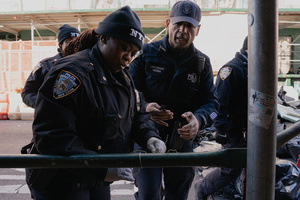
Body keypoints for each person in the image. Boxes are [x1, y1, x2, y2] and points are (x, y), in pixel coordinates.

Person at [24, 6, 166, 200]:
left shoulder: (122, 75)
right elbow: (52, 137)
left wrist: (149, 136)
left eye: (133, 53)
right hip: (62, 181)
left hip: (94, 176)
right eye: (125, 48)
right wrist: (103, 169)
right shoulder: (72, 75)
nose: (129, 57)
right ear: (104, 38)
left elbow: (134, 112)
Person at [129, 1, 219, 199]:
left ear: (198, 29)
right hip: (146, 136)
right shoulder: (145, 55)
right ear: (168, 23)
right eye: (178, 24)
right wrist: (145, 107)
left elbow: (213, 105)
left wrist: (198, 120)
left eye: (189, 26)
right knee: (149, 195)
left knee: (178, 195)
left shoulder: (201, 63)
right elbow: (127, 93)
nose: (183, 31)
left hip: (182, 141)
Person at [195, 36, 248, 200]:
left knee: (253, 166)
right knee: (230, 169)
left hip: (250, 128)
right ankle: (202, 189)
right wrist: (221, 129)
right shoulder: (232, 69)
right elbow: (220, 102)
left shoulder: (254, 69)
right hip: (235, 129)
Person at [21, 24, 80, 108]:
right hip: (52, 119)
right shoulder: (46, 65)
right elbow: (28, 92)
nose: (73, 45)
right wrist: (42, 105)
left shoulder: (88, 65)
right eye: (68, 41)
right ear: (61, 44)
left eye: (77, 41)